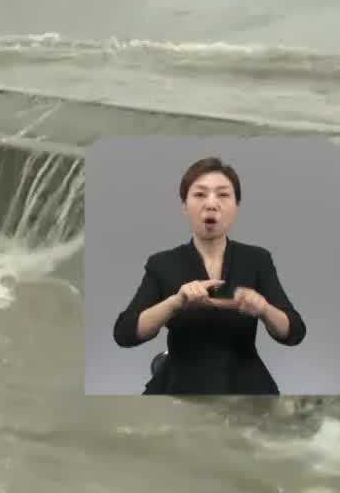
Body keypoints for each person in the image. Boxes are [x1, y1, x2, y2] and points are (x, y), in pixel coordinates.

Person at [112, 156, 306, 394]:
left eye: (223, 195)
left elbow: (294, 332)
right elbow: (124, 333)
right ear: (184, 206)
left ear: (236, 206)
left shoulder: (257, 260)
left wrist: (265, 309)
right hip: (178, 384)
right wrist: (175, 302)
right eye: (200, 195)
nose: (211, 204)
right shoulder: (162, 263)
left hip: (246, 384)